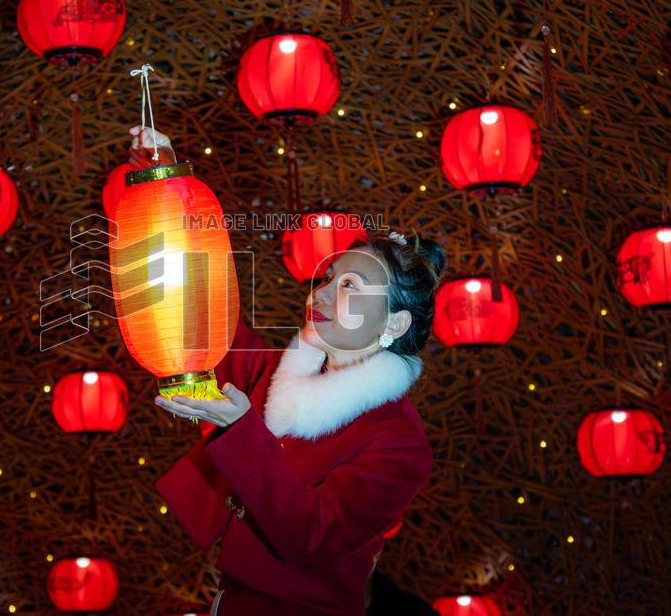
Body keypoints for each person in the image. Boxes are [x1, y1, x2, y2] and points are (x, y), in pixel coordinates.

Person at [130, 126, 444, 615]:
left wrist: (241, 430)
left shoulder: (400, 443)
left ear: (395, 323)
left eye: (350, 286)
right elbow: (213, 313)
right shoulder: (280, 372)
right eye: (328, 278)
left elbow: (312, 537)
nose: (318, 294)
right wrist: (169, 185)